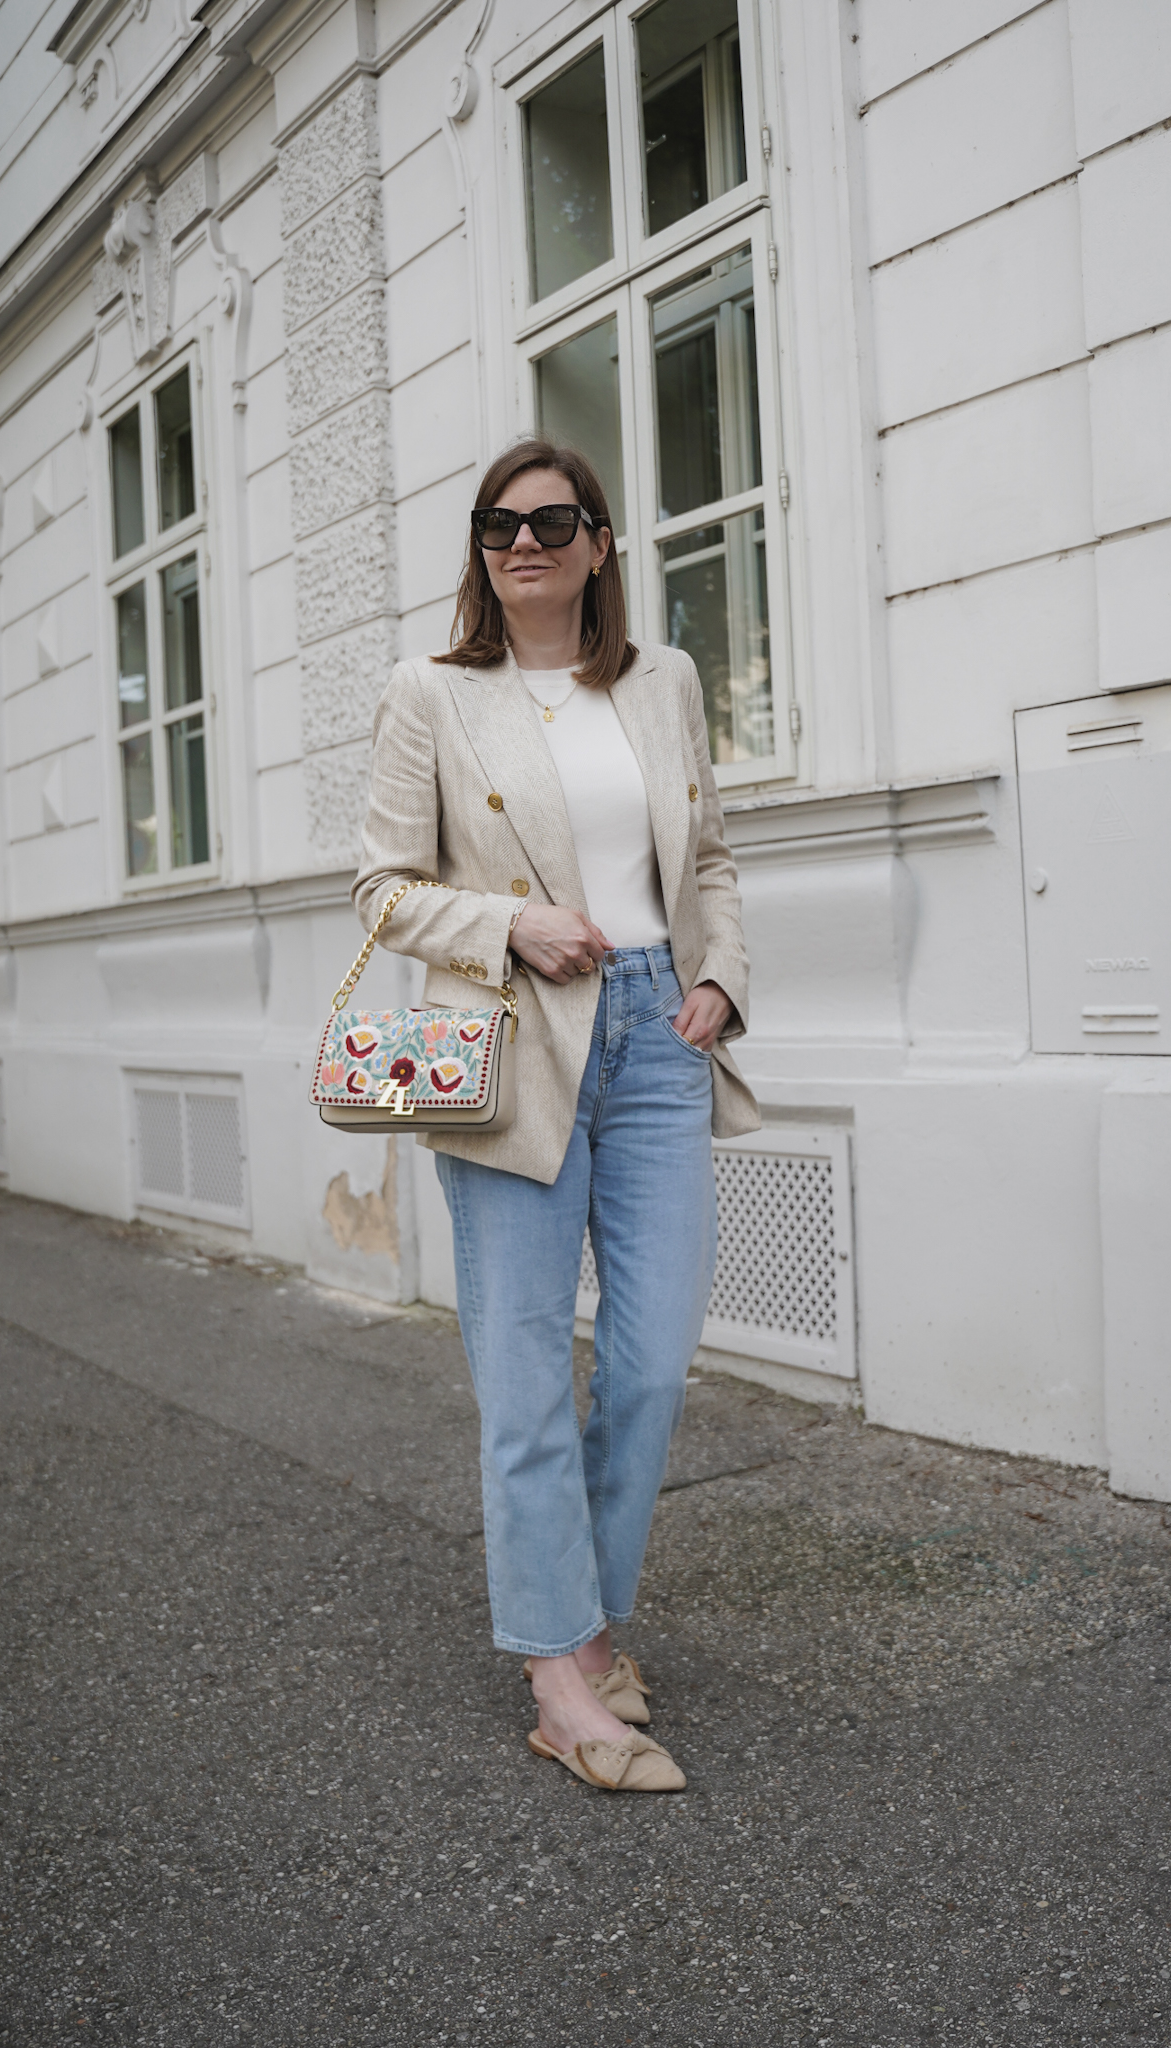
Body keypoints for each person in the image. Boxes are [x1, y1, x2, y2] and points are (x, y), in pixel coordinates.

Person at [352, 437, 758, 1792]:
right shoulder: (432, 693)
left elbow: (706, 859)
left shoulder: (661, 682)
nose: (522, 543)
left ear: (596, 544)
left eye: (551, 521)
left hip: (656, 1039)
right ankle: (557, 1673)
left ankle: (585, 1622)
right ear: (480, 553)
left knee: (645, 1364)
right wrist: (511, 920)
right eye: (496, 526)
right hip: (514, 1042)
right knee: (525, 1378)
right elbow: (380, 888)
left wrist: (714, 975)